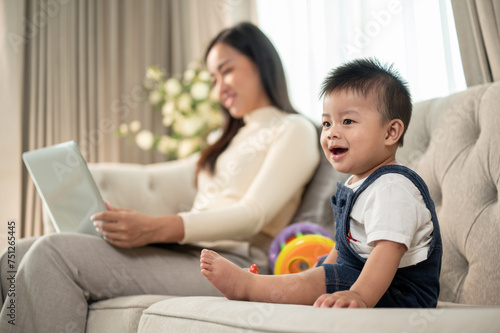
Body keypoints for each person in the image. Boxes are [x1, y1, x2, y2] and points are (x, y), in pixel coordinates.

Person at [0, 22, 320, 332]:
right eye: (212, 78)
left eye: (227, 70)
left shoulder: (293, 129)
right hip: (187, 251)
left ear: (261, 63)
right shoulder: (225, 142)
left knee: (51, 254)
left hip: (234, 264)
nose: (219, 86)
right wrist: (126, 223)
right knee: (14, 255)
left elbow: (254, 215)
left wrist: (155, 227)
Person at [200, 58, 443, 308]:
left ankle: (249, 287)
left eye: (347, 121)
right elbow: (342, 247)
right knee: (322, 271)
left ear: (391, 132)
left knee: (323, 278)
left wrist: (359, 295)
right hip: (365, 281)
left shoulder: (393, 187)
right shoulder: (357, 185)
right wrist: (322, 275)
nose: (331, 132)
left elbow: (388, 251)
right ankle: (270, 288)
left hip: (401, 293)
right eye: (327, 123)